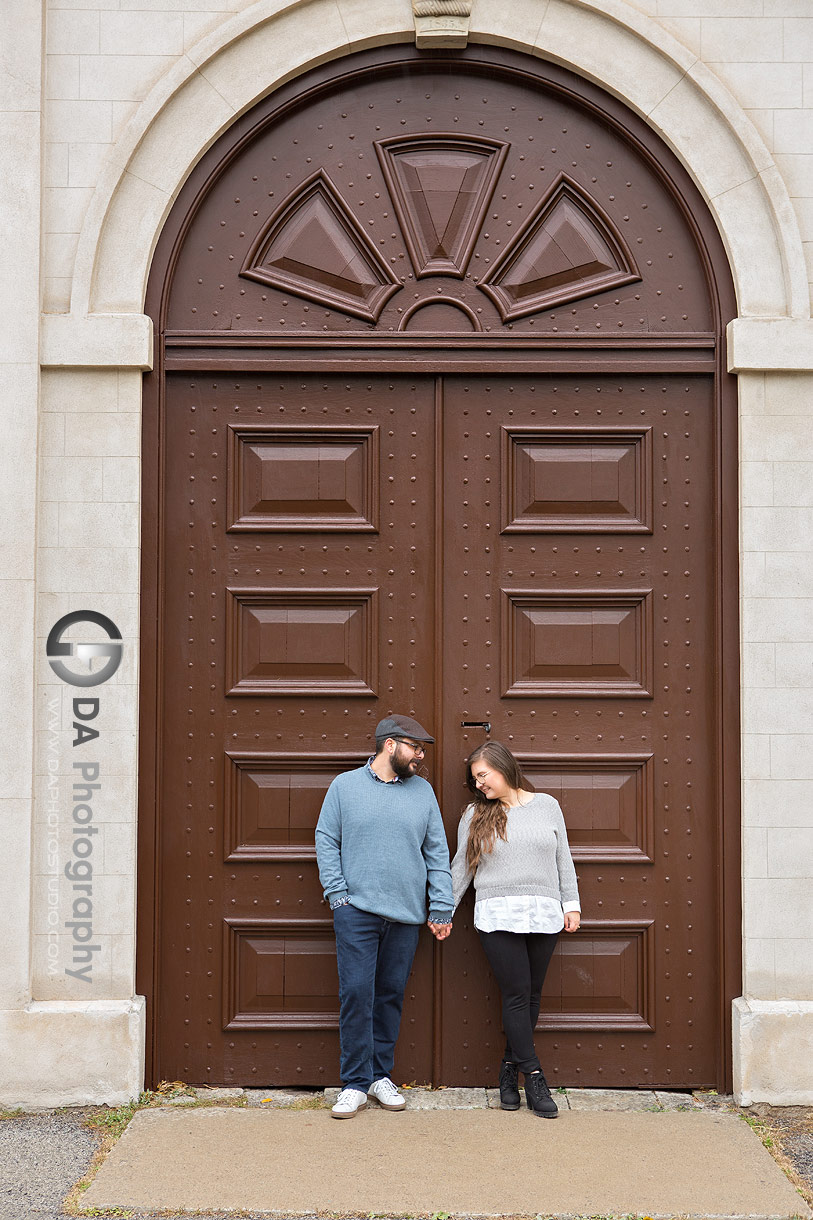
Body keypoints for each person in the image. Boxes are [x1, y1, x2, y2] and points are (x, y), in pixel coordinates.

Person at [315, 714, 453, 1119]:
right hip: (355, 911)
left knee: (389, 995)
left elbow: (436, 851)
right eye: (416, 747)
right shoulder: (345, 786)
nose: (421, 756)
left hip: (407, 915)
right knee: (357, 993)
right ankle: (354, 1083)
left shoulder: (422, 792)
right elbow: (326, 839)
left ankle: (379, 1077)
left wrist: (441, 905)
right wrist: (338, 895)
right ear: (390, 745)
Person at [450, 740, 580, 1119]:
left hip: (543, 911)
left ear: (503, 767)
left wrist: (570, 904)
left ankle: (508, 1071)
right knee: (517, 994)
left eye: (482, 775)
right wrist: (444, 911)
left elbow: (563, 858)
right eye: (474, 780)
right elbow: (463, 866)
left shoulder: (547, 806)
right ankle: (535, 1076)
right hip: (497, 913)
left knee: (533, 996)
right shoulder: (476, 813)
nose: (479, 785)